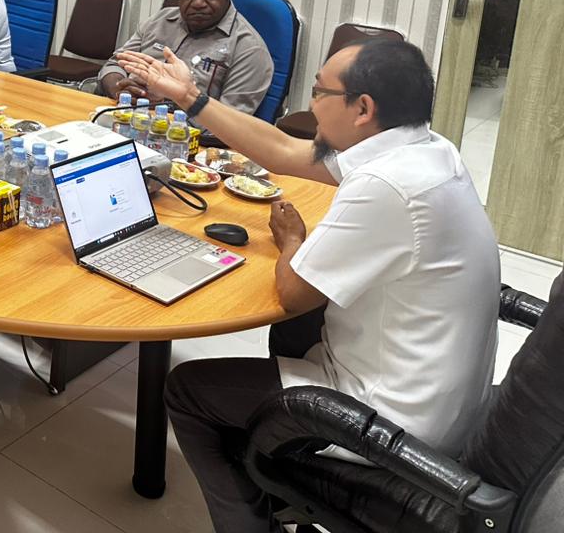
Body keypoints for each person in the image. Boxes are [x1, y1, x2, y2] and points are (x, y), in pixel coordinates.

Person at [119, 38, 500, 533]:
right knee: (294, 332)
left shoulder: (384, 185)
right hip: (446, 398)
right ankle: (269, 471)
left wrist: (292, 241)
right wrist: (191, 98)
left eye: (320, 91)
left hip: (393, 419)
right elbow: (284, 152)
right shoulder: (428, 150)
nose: (311, 103)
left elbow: (294, 292)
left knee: (188, 390)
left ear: (363, 109)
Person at [97, 0, 272, 113]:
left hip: (182, 133)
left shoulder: (249, 49)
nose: (198, 3)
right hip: (124, 116)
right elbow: (114, 64)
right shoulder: (159, 21)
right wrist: (119, 89)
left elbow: (231, 123)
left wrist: (165, 102)